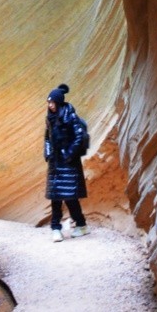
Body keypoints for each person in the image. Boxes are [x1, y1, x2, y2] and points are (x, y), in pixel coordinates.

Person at [44, 83, 88, 242]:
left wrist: (68, 154)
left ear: (59, 102)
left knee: (70, 197)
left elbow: (79, 137)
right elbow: (47, 138)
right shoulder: (49, 118)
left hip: (69, 165)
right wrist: (48, 153)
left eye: (52, 102)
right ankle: (56, 228)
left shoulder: (71, 116)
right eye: (48, 103)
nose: (50, 105)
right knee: (55, 198)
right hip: (55, 165)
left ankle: (81, 225)